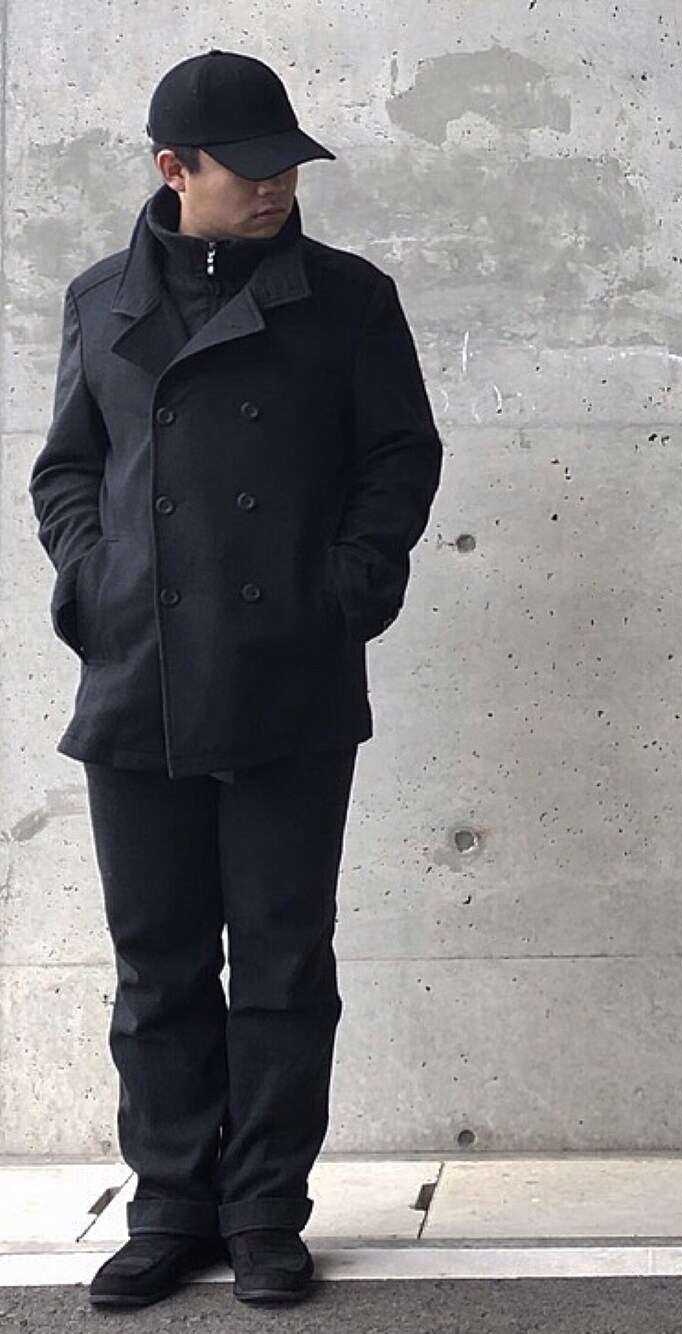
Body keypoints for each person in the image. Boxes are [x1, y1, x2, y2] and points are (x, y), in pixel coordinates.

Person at [28, 49, 442, 1308]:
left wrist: (345, 589)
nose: (276, 187)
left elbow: (400, 456)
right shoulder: (100, 301)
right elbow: (66, 468)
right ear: (174, 168)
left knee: (279, 959)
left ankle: (263, 1206)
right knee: (155, 962)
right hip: (139, 672)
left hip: (286, 671)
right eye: (249, 168)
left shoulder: (348, 298)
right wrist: (95, 580)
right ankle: (169, 1206)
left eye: (288, 166)